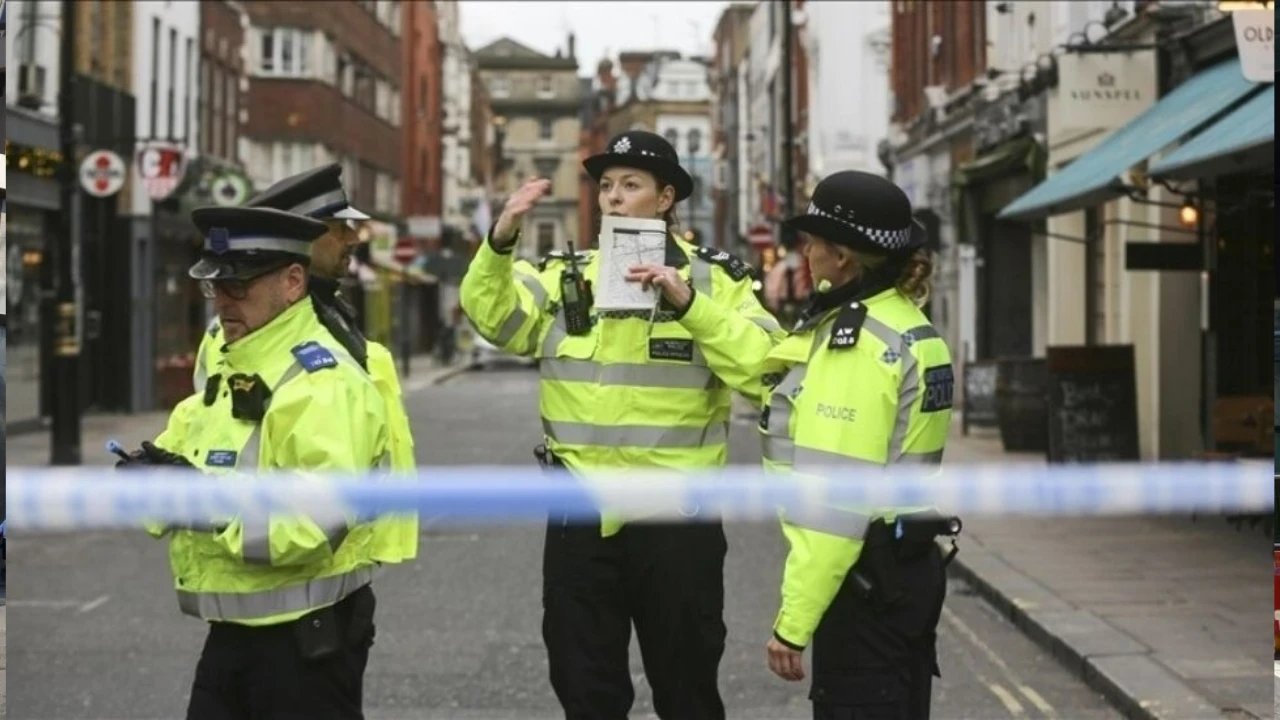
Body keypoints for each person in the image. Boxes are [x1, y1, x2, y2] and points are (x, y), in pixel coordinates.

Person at [459, 130, 785, 720]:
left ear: (664, 199)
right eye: (606, 185)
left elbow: (766, 369)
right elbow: (496, 320)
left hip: (676, 519)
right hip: (580, 516)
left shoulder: (716, 282)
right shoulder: (565, 276)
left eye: (630, 185)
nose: (612, 197)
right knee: (585, 689)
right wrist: (500, 241)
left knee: (686, 689)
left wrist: (691, 306)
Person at [628, 170, 959, 720]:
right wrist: (690, 303)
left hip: (865, 582)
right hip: (905, 570)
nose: (803, 250)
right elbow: (765, 367)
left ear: (844, 256)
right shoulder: (900, 325)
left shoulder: (856, 347)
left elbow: (835, 509)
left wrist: (794, 623)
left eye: (813, 240)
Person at [120, 206, 396, 720]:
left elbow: (313, 523)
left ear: (293, 282)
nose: (222, 301)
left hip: (305, 644)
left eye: (239, 286)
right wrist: (146, 484)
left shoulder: (324, 382)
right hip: (236, 636)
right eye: (215, 286)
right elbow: (178, 472)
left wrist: (203, 504)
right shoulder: (231, 366)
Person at [193, 163, 418, 565]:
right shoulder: (260, 327)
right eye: (338, 227)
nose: (353, 237)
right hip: (288, 561)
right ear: (302, 235)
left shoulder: (331, 311)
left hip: (331, 557)